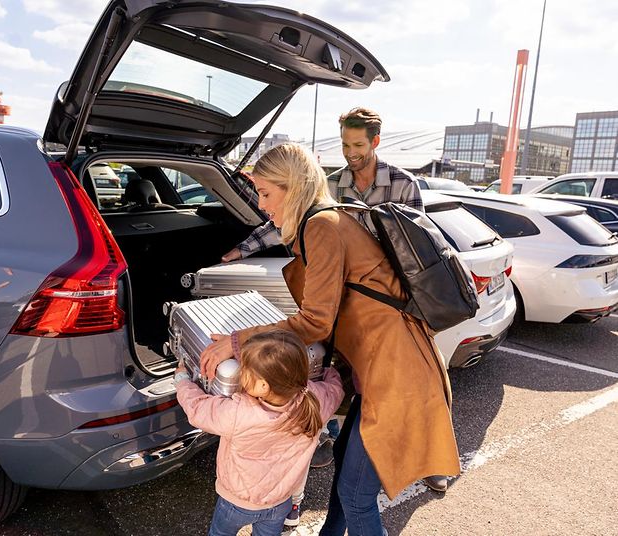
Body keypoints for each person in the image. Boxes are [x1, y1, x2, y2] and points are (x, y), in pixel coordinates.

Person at [202, 142, 461, 535]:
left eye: (267, 192)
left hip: (395, 375)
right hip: (383, 370)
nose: (260, 203)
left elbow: (316, 322)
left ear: (294, 187)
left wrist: (240, 341)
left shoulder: (322, 226)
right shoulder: (326, 220)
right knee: (347, 471)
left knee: (356, 496)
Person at [175, 329, 344, 536]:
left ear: (263, 386)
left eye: (245, 371)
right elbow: (336, 390)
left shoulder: (238, 413)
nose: (241, 374)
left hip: (235, 503)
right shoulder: (314, 402)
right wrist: (329, 373)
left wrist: (182, 380)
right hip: (280, 503)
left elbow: (198, 409)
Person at [221, 106, 423, 264]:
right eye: (345, 144)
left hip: (393, 294)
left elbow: (418, 245)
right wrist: (244, 249)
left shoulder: (405, 185)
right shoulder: (330, 185)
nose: (350, 152)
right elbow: (292, 217)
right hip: (347, 290)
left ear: (375, 141)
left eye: (358, 145)